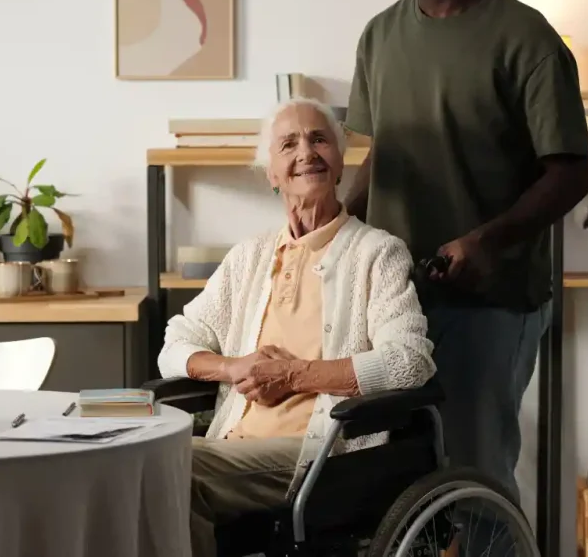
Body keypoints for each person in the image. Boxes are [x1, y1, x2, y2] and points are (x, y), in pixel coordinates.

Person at [344, 0, 588, 508]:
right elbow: (378, 159)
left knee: (473, 479)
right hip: (393, 298)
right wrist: (329, 229)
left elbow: (570, 171)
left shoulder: (526, 36)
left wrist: (487, 241)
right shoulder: (378, 35)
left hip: (492, 299)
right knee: (399, 482)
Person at [158, 98, 436, 557]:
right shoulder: (250, 257)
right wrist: (233, 368)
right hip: (232, 446)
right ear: (271, 173)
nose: (306, 151)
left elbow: (409, 362)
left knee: (169, 467)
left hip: (320, 454)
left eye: (319, 139)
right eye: (288, 144)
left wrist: (294, 375)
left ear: (340, 162)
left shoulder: (376, 254)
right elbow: (175, 343)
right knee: (147, 467)